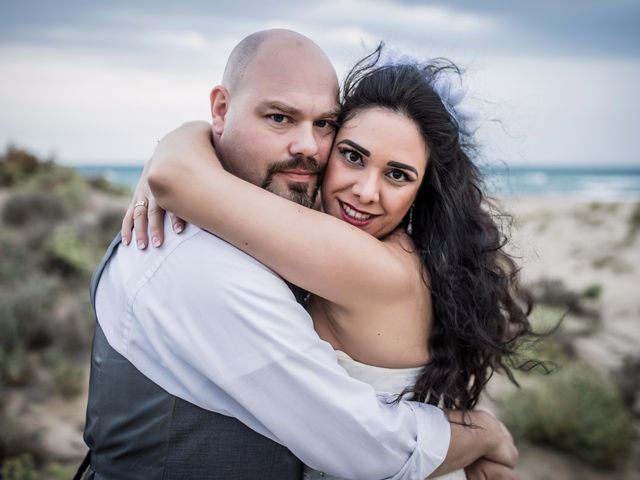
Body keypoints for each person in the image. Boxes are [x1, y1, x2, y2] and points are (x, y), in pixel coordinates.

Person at [121, 37, 531, 480]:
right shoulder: (348, 236)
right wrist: (181, 140)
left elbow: (177, 177)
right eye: (353, 157)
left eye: (397, 175)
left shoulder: (372, 265)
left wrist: (174, 146)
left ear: (422, 190)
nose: (365, 191)